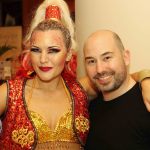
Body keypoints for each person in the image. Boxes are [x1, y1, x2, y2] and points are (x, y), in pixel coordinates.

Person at [0, 0, 149, 149]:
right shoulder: (10, 92)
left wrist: (145, 78)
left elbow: (114, 76)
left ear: (68, 55)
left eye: (53, 50)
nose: (43, 59)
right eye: (36, 50)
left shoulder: (79, 90)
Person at [84, 30, 150, 150]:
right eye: (91, 61)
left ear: (126, 57)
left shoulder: (146, 104)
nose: (99, 69)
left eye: (107, 57)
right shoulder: (88, 109)